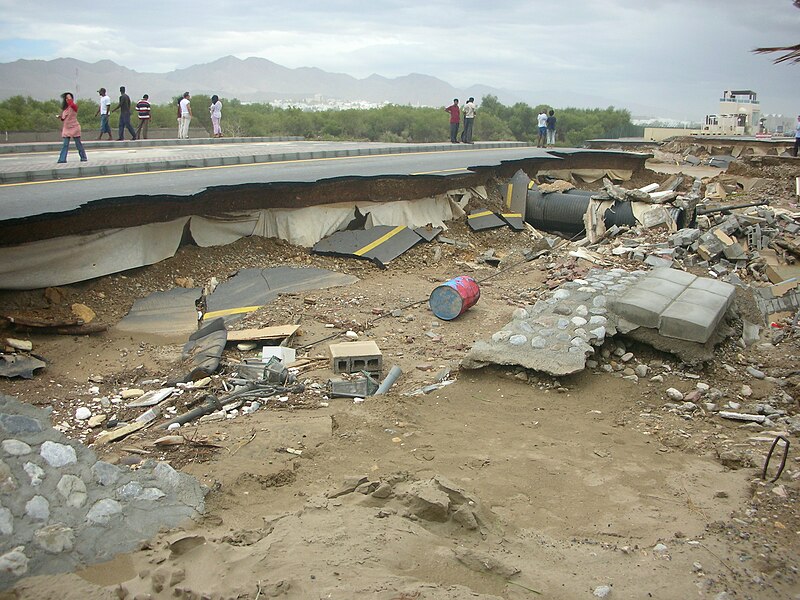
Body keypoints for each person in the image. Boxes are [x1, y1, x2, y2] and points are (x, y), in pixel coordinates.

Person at [57, 92, 87, 163]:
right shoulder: (65, 109)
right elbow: (64, 118)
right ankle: (62, 159)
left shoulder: (74, 106)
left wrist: (69, 98)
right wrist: (60, 117)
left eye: (69, 98)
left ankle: (83, 157)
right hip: (66, 128)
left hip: (74, 127)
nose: (68, 100)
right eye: (66, 98)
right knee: (65, 144)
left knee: (78, 143)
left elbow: (71, 104)